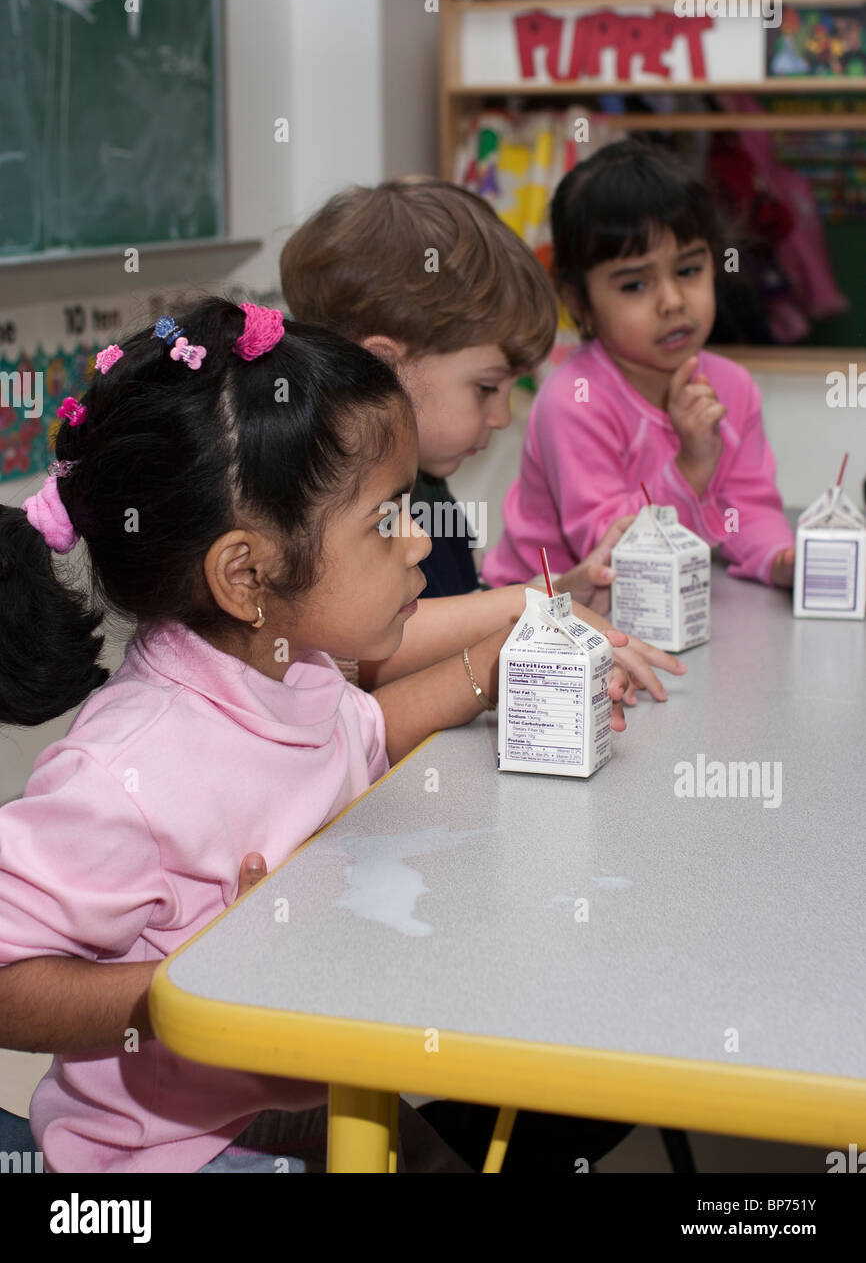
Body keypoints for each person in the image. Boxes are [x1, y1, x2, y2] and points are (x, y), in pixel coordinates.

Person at [0, 299, 635, 1172]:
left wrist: (489, 665)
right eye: (386, 519)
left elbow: (362, 730)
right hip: (173, 1151)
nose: (419, 540)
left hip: (306, 1091)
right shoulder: (130, 768)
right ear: (245, 574)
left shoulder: (295, 670)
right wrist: (196, 983)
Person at [280, 177, 686, 705]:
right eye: (486, 388)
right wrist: (521, 604)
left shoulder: (424, 480)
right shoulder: (326, 501)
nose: (500, 417)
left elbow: (450, 614)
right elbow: (359, 654)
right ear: (384, 368)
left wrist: (561, 595)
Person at [482, 141, 797, 592]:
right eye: (635, 284)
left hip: (652, 609)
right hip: (532, 622)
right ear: (578, 301)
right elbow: (612, 551)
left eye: (688, 271)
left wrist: (778, 558)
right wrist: (691, 465)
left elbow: (745, 506)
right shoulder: (572, 402)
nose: (672, 302)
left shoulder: (733, 386)